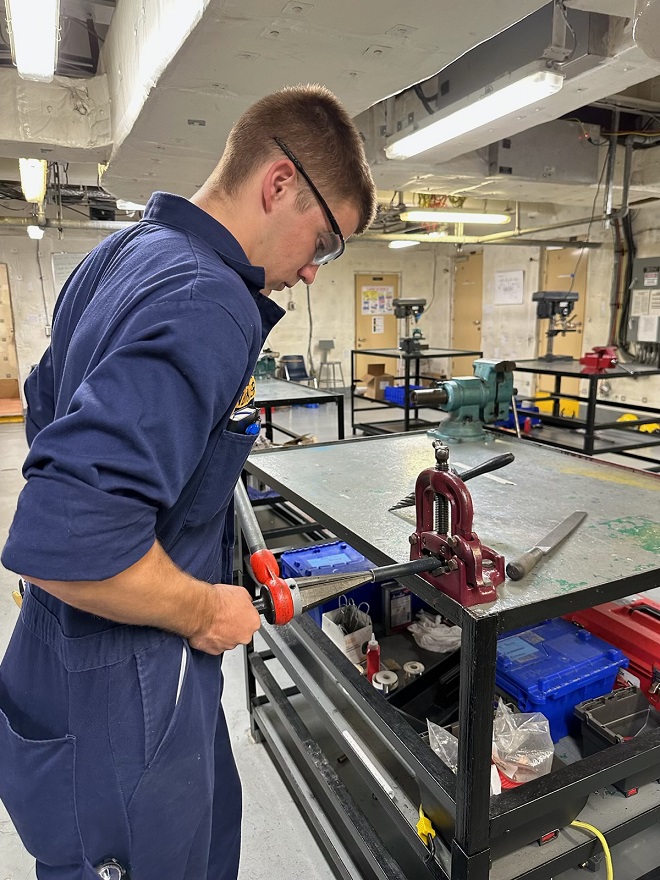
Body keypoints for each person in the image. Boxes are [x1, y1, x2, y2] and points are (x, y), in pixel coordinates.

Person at [0, 84, 377, 880]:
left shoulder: (120, 254)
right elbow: (67, 543)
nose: (313, 271)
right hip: (124, 676)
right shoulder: (209, 299)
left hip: (75, 653)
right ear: (280, 183)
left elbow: (45, 405)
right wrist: (208, 607)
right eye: (327, 239)